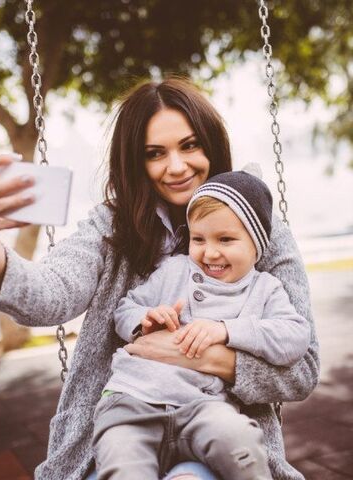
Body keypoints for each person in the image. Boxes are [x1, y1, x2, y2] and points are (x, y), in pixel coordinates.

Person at [0, 77, 319, 480]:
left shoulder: (257, 225)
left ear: (212, 144)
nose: (177, 167)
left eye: (190, 145)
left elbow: (301, 369)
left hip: (220, 428)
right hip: (124, 425)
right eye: (155, 153)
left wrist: (201, 350)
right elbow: (52, 293)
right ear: (136, 162)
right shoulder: (111, 226)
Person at [93, 170, 311, 480]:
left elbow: (295, 336)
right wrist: (144, 320)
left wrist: (226, 329)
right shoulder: (174, 270)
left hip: (204, 407)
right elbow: (125, 308)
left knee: (243, 445)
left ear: (257, 245)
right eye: (198, 239)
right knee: (124, 467)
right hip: (132, 401)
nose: (209, 252)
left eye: (226, 239)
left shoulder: (265, 290)